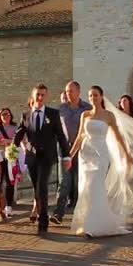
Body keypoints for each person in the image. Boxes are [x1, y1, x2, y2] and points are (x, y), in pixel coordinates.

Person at [68, 86, 133, 237]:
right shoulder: (85, 114)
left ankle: (97, 225)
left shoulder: (109, 115)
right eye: (90, 96)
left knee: (96, 185)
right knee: (86, 187)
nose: (93, 98)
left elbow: (118, 136)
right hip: (86, 154)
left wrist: (127, 154)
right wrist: (69, 156)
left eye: (95, 95)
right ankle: (88, 223)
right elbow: (79, 137)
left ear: (102, 97)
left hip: (101, 153)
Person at [13, 84, 71, 234]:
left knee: (42, 186)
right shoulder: (26, 115)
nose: (40, 97)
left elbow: (61, 136)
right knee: (36, 189)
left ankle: (43, 221)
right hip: (32, 157)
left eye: (42, 95)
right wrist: (12, 150)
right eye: (37, 94)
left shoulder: (53, 114)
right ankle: (40, 213)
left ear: (46, 96)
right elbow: (19, 134)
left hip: (47, 156)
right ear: (33, 96)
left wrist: (66, 155)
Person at [52, 81, 92, 225]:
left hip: (82, 149)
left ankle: (81, 212)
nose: (68, 94)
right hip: (65, 149)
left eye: (71, 91)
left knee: (79, 180)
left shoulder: (87, 108)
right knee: (64, 181)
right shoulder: (61, 109)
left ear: (78, 91)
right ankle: (58, 212)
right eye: (67, 91)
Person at [0, 108, 17, 217]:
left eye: (8, 114)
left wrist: (9, 141)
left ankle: (8, 206)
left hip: (10, 158)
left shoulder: (15, 127)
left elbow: (20, 140)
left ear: (11, 116)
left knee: (10, 182)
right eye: (3, 114)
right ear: (0, 116)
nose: (6, 116)